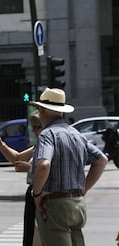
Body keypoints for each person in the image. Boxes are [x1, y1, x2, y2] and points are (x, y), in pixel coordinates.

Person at [30, 88, 108, 245]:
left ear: (43, 110)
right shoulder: (76, 134)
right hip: (77, 204)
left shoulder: (48, 134)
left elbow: (44, 164)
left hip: (55, 206)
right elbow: (101, 160)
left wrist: (37, 195)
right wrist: (84, 188)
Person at [0, 110, 42, 246]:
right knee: (31, 236)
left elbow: (50, 171)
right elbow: (18, 158)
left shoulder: (49, 143)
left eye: (39, 127)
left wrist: (29, 168)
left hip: (43, 196)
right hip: (34, 194)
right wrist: (1, 145)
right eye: (34, 128)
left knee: (37, 238)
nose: (36, 131)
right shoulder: (39, 145)